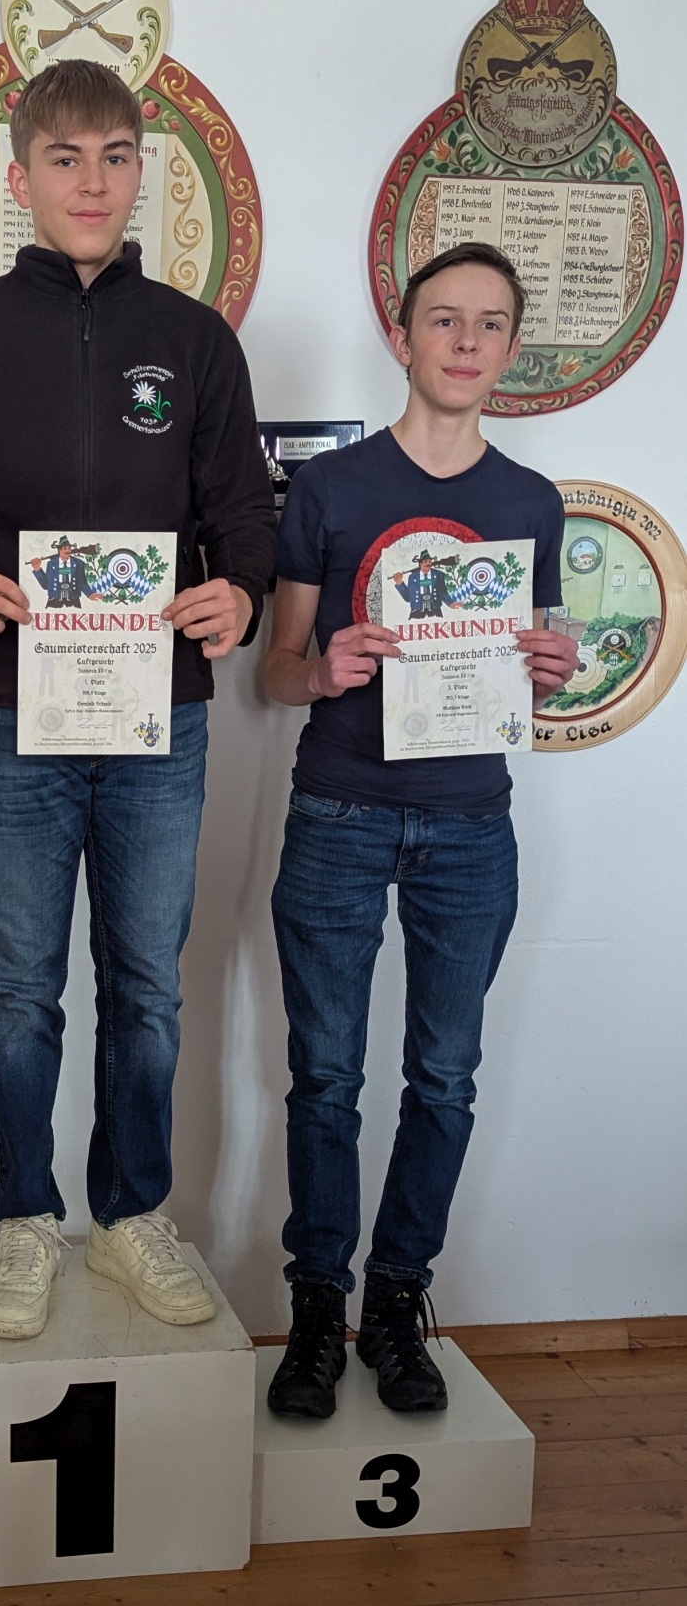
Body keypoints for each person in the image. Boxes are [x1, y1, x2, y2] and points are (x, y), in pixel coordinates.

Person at [0, 58, 275, 1341]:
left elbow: (246, 515)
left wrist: (243, 594)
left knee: (147, 982)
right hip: (13, 718)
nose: (91, 183)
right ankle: (25, 1216)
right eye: (65, 159)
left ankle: (132, 1212)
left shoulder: (197, 342)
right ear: (21, 177)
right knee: (18, 983)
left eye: (114, 157)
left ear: (141, 170)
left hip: (161, 718)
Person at [263, 241, 577, 1419]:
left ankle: (397, 1302)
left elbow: (537, 665)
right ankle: (316, 1305)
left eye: (489, 323)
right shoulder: (332, 489)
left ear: (510, 349)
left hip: (469, 826)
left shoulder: (529, 503)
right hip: (339, 813)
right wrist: (321, 666)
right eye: (443, 318)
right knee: (326, 1077)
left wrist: (551, 668)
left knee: (443, 1077)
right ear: (402, 336)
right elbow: (273, 673)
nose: (465, 340)